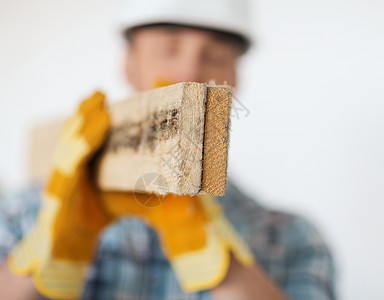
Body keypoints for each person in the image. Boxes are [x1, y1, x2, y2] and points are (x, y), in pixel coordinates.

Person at [0, 0, 336, 299]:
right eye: (169, 48)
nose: (190, 72)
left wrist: (216, 256)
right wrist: (48, 243)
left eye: (215, 56)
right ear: (130, 65)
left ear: (233, 77)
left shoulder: (291, 239)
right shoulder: (19, 216)